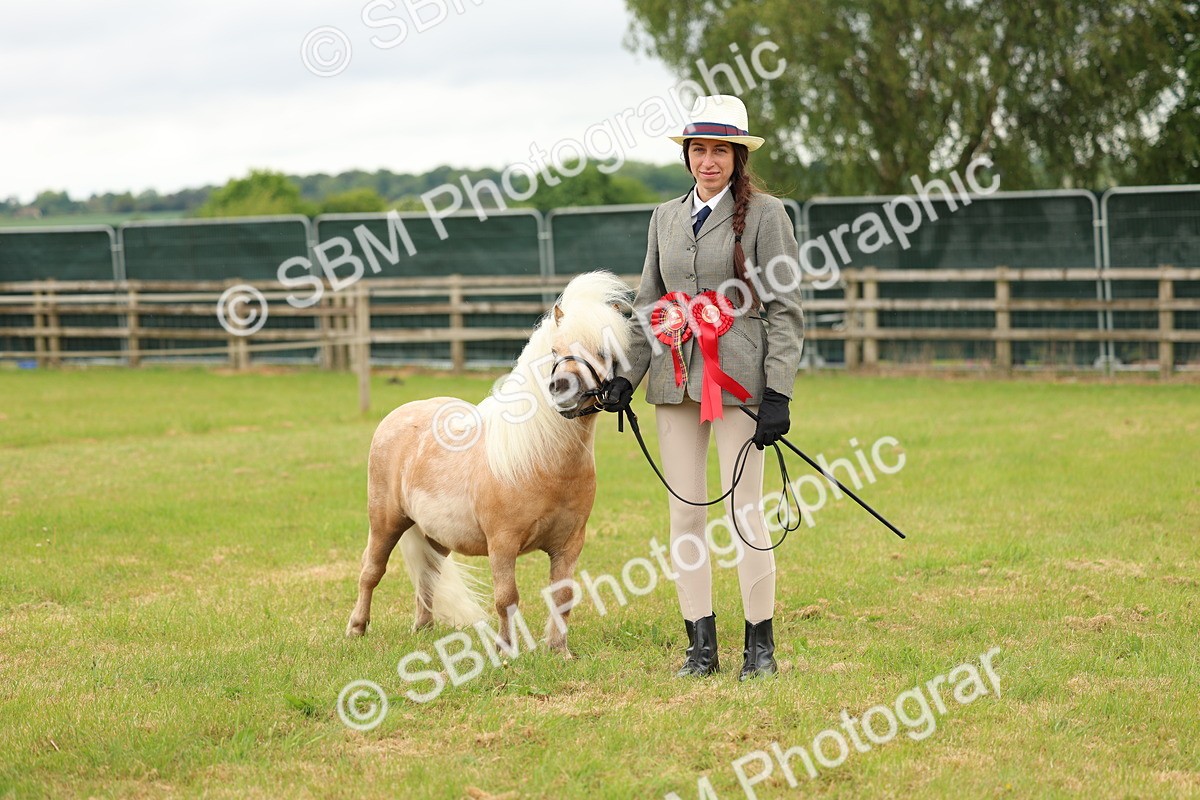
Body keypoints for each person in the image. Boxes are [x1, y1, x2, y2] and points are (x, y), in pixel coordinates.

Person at [601, 95, 804, 681]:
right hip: (674, 378)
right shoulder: (664, 216)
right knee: (684, 514)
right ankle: (700, 647)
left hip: (741, 381)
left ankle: (759, 649)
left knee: (745, 513)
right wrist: (626, 375)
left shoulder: (767, 215)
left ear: (737, 157)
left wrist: (779, 393)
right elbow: (649, 302)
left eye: (720, 150)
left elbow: (785, 310)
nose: (708, 160)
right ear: (687, 154)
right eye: (699, 149)